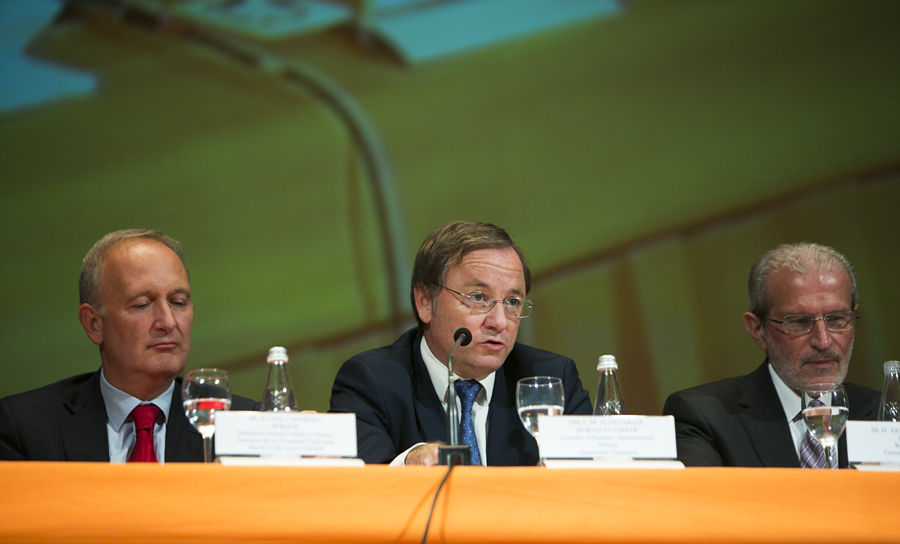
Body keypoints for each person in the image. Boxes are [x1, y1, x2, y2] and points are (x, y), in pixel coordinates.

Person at [330, 221, 591, 466]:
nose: (499, 322)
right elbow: (363, 485)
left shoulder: (551, 380)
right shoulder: (370, 382)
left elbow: (598, 480)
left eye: (512, 301)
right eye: (478, 297)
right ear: (425, 302)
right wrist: (409, 463)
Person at [0, 229, 255, 462]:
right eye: (142, 304)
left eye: (178, 302)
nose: (167, 322)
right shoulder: (24, 428)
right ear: (93, 324)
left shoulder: (247, 427)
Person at [663, 242, 880, 468]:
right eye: (798, 322)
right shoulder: (703, 417)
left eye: (837, 319)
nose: (823, 341)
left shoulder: (884, 415)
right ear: (757, 329)